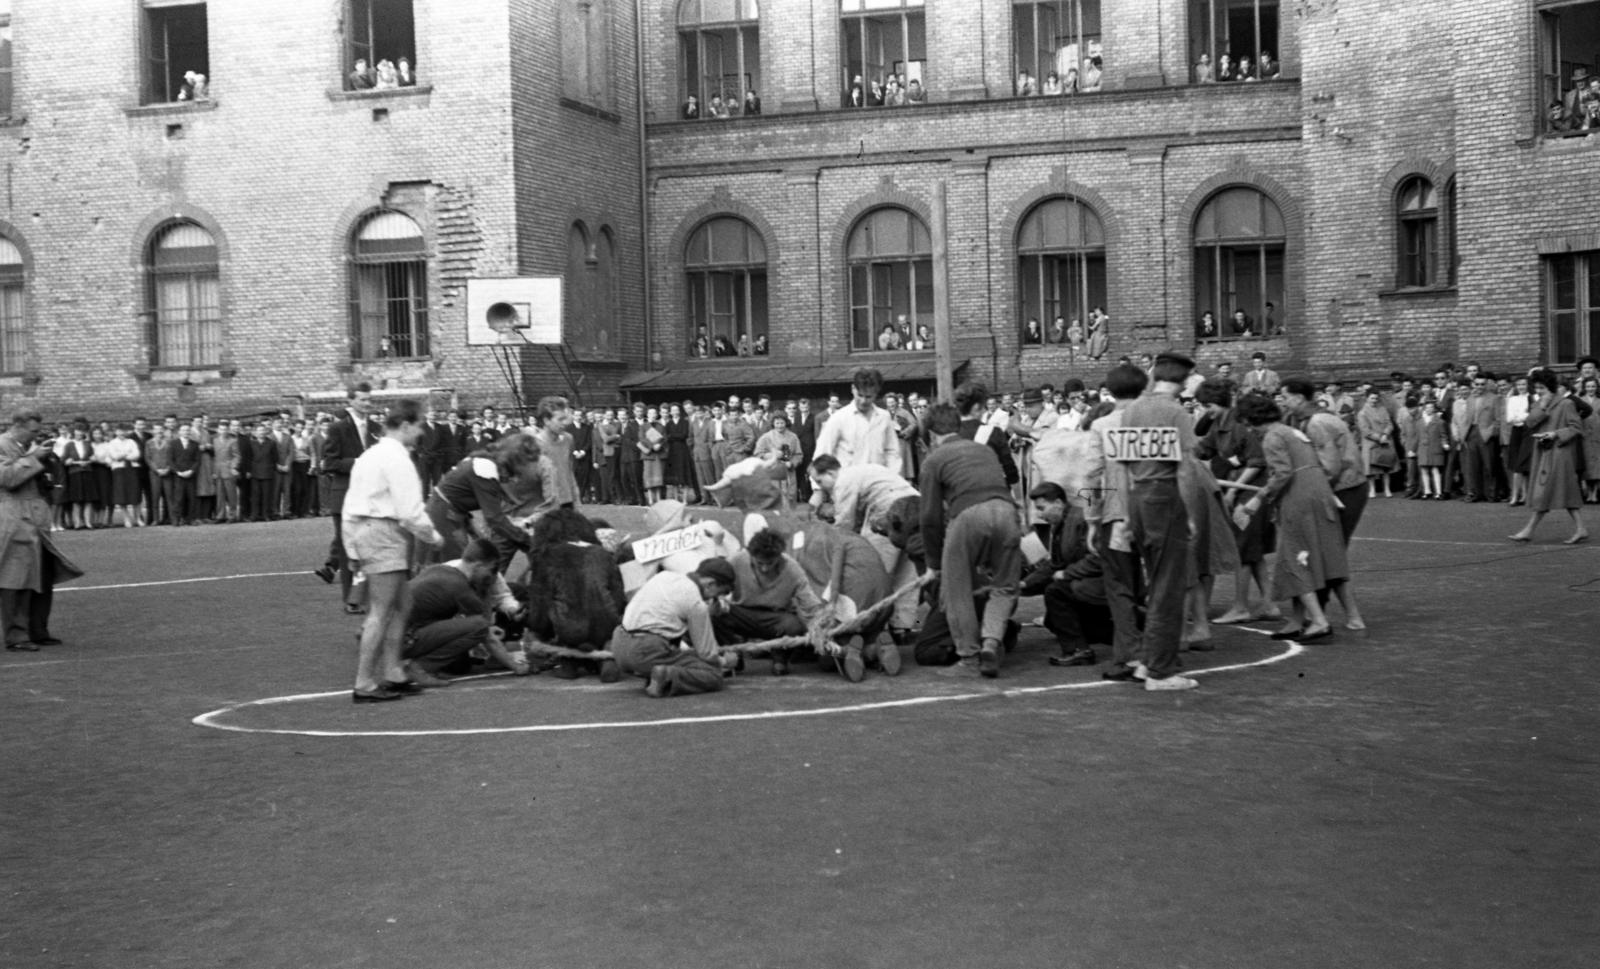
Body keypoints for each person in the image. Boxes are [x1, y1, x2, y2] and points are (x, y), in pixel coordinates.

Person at [343, 399, 444, 702]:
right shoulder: (397, 459)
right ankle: (364, 682)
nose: (421, 432)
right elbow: (410, 510)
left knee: (402, 604)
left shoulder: (370, 455)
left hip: (368, 529)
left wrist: (351, 546)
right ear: (405, 426)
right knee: (382, 609)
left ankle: (393, 672)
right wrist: (434, 536)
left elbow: (350, 505)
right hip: (384, 531)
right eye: (419, 426)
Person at [1232, 396, 1346, 641]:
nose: (1250, 429)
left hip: (1299, 497)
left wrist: (1258, 498)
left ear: (1255, 419)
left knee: (1294, 558)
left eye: (1249, 424)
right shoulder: (1291, 431)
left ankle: (1318, 621)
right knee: (1303, 556)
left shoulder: (1272, 437)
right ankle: (1296, 620)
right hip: (1317, 491)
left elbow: (1282, 473)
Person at [918, 402, 1020, 678]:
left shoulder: (934, 459)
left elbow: (929, 517)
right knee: (1005, 586)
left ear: (931, 434)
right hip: (1007, 511)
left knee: (956, 590)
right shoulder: (983, 450)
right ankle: (990, 641)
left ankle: (970, 656)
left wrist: (932, 562)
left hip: (967, 515)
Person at [0, 410, 84, 651]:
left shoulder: (27, 445)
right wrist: (33, 457)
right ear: (17, 426)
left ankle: (37, 630)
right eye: (33, 431)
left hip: (36, 518)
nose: (36, 436)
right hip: (13, 518)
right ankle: (16, 635)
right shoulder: (2, 444)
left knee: (43, 576)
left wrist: (43, 458)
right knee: (16, 577)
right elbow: (6, 478)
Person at [404, 538, 531, 685]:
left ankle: (417, 665)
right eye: (491, 570)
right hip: (406, 639)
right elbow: (485, 633)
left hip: (395, 638)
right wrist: (516, 667)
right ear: (478, 565)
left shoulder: (439, 570)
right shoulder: (460, 587)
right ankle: (421, 668)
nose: (493, 576)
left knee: (478, 627)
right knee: (479, 626)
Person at [609, 558, 739, 697]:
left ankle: (658, 674)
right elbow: (707, 654)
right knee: (713, 675)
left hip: (619, 644)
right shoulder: (696, 603)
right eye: (721, 593)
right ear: (710, 584)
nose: (716, 599)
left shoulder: (664, 576)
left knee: (687, 655)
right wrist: (726, 661)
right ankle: (667, 676)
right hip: (645, 650)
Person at [1024, 482, 1111, 667]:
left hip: (1104, 583)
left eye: (1042, 508)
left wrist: (1067, 573)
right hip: (1088, 581)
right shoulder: (1060, 524)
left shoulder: (1080, 520)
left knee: (1055, 592)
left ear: (1057, 503)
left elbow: (1097, 559)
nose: (1039, 514)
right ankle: (1118, 631)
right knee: (1053, 621)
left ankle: (1078, 650)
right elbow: (1054, 564)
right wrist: (1025, 584)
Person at [316, 383, 382, 613]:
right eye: (363, 399)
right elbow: (329, 463)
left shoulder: (376, 427)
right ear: (351, 401)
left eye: (369, 399)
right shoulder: (337, 428)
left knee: (371, 546)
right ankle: (351, 601)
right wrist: (359, 462)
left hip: (371, 497)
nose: (367, 403)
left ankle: (368, 596)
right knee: (346, 549)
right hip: (345, 496)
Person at [1509, 369, 1589, 545]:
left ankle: (1528, 530)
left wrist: (1555, 434)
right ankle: (1580, 528)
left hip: (1560, 453)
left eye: (1542, 388)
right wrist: (1542, 407)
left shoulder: (1566, 404)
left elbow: (1576, 428)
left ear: (1550, 387)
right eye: (1536, 387)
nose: (1538, 391)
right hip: (1543, 453)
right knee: (1565, 492)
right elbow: (1529, 423)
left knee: (1543, 492)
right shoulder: (1539, 404)